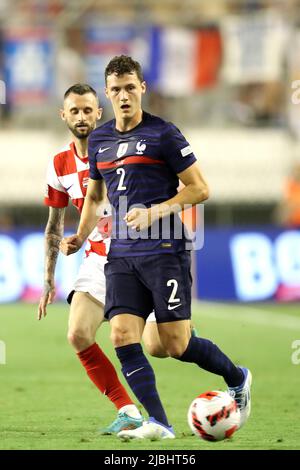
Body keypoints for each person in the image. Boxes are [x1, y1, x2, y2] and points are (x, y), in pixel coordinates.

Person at [60, 56, 252, 441]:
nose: (124, 95)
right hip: (121, 253)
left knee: (172, 345)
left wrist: (155, 212)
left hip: (165, 249)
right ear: (108, 93)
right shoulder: (100, 139)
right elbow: (95, 196)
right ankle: (160, 424)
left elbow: (200, 188)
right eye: (115, 89)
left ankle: (237, 376)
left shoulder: (164, 134)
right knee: (121, 334)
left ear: (142, 88)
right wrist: (80, 237)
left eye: (130, 87)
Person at [38, 83, 143, 434]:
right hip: (98, 260)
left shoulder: (121, 149)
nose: (82, 117)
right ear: (63, 115)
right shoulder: (59, 164)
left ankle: (235, 380)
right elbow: (54, 225)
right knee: (78, 334)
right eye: (75, 111)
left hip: (138, 256)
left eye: (88, 110)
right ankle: (127, 410)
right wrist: (48, 278)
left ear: (99, 112)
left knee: (167, 345)